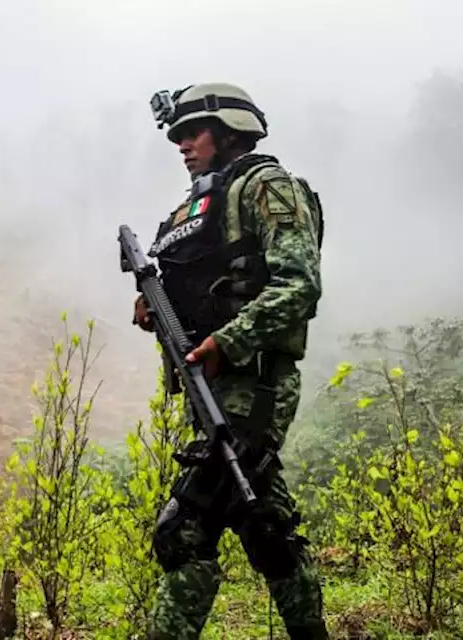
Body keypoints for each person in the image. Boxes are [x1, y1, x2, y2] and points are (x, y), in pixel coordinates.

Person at [134, 82, 328, 639]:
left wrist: (230, 341)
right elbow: (194, 287)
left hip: (255, 381)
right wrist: (154, 305)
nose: (182, 145)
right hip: (209, 390)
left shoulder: (270, 187)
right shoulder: (197, 207)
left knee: (186, 527)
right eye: (177, 136)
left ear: (228, 130)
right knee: (265, 526)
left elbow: (299, 285)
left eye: (192, 133)